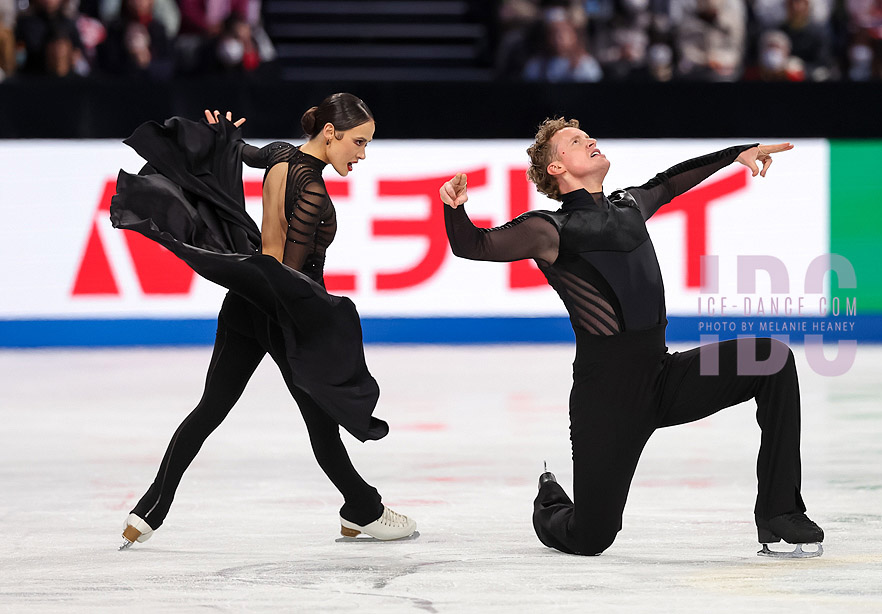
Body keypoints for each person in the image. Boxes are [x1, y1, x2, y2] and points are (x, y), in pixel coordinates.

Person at [440, 117, 824, 558]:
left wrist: (735, 154)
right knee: (592, 537)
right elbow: (476, 245)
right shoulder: (550, 230)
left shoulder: (629, 206)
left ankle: (780, 512)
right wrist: (455, 209)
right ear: (556, 169)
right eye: (576, 142)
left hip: (663, 376)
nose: (591, 142)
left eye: (588, 137)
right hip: (606, 399)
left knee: (771, 359)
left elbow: (670, 182)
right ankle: (548, 501)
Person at [112, 93, 417, 549]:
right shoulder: (312, 188)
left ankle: (149, 509)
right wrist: (321, 321)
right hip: (281, 309)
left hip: (245, 301)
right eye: (358, 142)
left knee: (209, 409)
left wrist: (220, 137)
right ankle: (363, 509)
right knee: (320, 421)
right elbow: (289, 274)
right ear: (330, 133)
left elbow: (238, 153)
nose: (362, 154)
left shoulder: (280, 154)